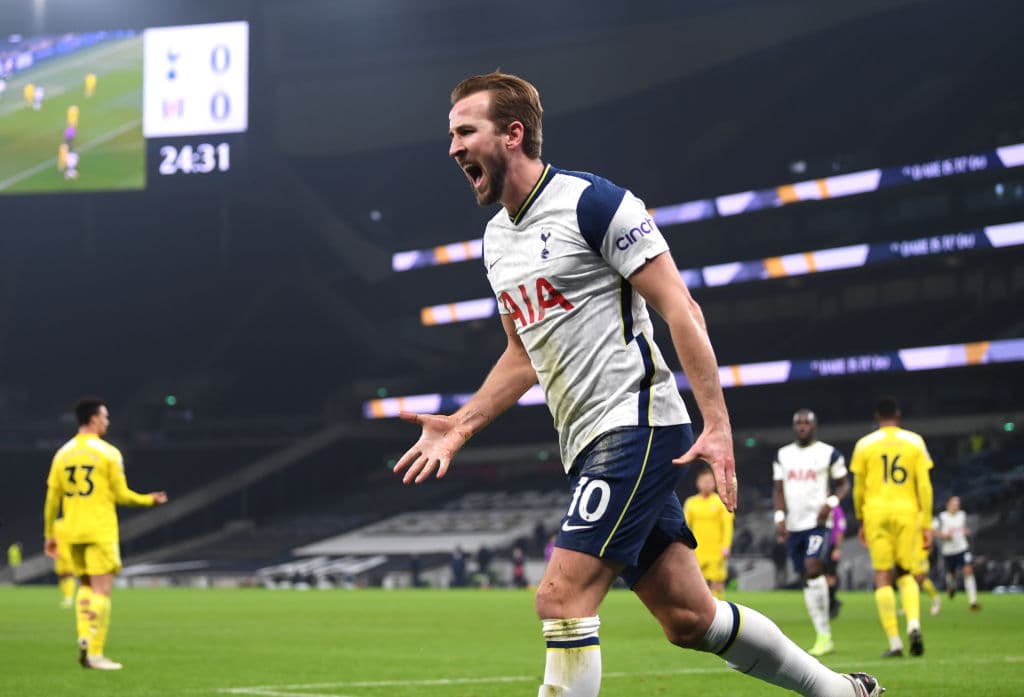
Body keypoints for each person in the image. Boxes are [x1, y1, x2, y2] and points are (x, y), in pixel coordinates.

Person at [394, 71, 882, 697]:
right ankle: (842, 693)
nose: (454, 147)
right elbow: (522, 355)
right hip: (587, 442)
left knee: (561, 596)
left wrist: (717, 426)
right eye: (452, 134)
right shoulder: (497, 241)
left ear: (513, 134)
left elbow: (681, 309)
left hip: (637, 423)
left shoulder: (595, 203)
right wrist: (460, 425)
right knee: (688, 617)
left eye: (466, 131)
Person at [43, 398, 168, 670]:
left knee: (84, 587)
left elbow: (52, 500)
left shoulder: (62, 454)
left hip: (73, 531)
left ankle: (83, 638)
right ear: (93, 419)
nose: (108, 422)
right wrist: (149, 500)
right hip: (100, 529)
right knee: (102, 590)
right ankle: (95, 652)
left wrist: (50, 534)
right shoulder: (109, 453)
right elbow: (122, 496)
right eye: (105, 417)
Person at [851, 396, 933, 658]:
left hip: (876, 512)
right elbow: (924, 486)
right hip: (907, 512)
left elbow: (858, 489)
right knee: (906, 572)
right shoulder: (915, 441)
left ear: (877, 418)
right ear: (897, 416)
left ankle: (895, 642)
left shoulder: (864, 444)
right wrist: (927, 522)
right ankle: (914, 624)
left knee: (883, 576)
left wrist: (861, 519)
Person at [773, 409, 849, 657]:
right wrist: (780, 517)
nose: (803, 426)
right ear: (794, 427)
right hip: (794, 525)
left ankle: (825, 634)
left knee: (813, 565)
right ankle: (822, 635)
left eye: (807, 423)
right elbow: (778, 490)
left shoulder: (828, 453)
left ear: (815, 427)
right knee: (806, 577)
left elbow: (843, 484)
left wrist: (831, 503)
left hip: (818, 523)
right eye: (799, 423)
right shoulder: (783, 455)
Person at [683, 466, 733, 599]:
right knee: (697, 582)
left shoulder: (721, 502)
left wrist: (726, 545)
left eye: (710, 481)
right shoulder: (691, 503)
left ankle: (720, 608)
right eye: (704, 481)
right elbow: (685, 526)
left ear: (715, 483)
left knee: (717, 581)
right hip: (697, 549)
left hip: (716, 549)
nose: (707, 484)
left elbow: (727, 525)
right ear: (698, 483)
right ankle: (700, 607)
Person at [936, 495, 980, 611]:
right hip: (948, 551)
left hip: (962, 548)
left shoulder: (962, 515)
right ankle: (951, 587)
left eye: (958, 504)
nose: (956, 506)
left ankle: (973, 602)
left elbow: (966, 529)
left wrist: (966, 532)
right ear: (948, 504)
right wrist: (944, 536)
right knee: (952, 575)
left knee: (968, 570)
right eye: (954, 503)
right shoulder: (942, 517)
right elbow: (933, 531)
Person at [910, 536, 942, 617]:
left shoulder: (920, 524)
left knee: (920, 578)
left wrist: (928, 546)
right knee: (910, 579)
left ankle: (936, 598)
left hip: (921, 554)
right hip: (910, 554)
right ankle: (910, 606)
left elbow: (927, 532)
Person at [825, 502, 846, 619]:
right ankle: (830, 602)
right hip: (822, 545)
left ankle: (832, 603)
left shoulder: (836, 509)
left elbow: (840, 529)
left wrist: (837, 548)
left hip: (831, 546)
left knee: (830, 576)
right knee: (824, 576)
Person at [52, 518, 78, 608]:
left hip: (64, 553)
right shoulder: (72, 523)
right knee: (63, 576)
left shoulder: (57, 524)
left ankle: (69, 598)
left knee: (68, 575)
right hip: (64, 553)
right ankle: (67, 597)